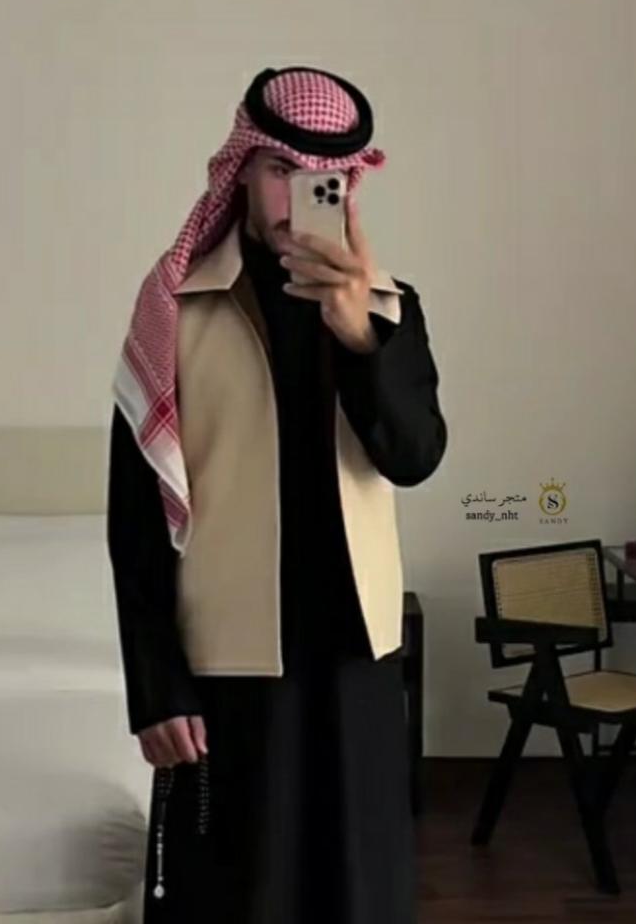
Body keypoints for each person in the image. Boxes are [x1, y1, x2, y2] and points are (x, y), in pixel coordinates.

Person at [106, 65, 447, 924]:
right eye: (278, 170)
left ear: (350, 186)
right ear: (241, 169)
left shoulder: (389, 310)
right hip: (230, 664)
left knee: (359, 893)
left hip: (354, 656)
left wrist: (358, 334)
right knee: (233, 894)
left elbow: (414, 457)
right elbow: (136, 519)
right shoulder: (175, 310)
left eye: (322, 177)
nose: (297, 195)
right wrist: (155, 686)